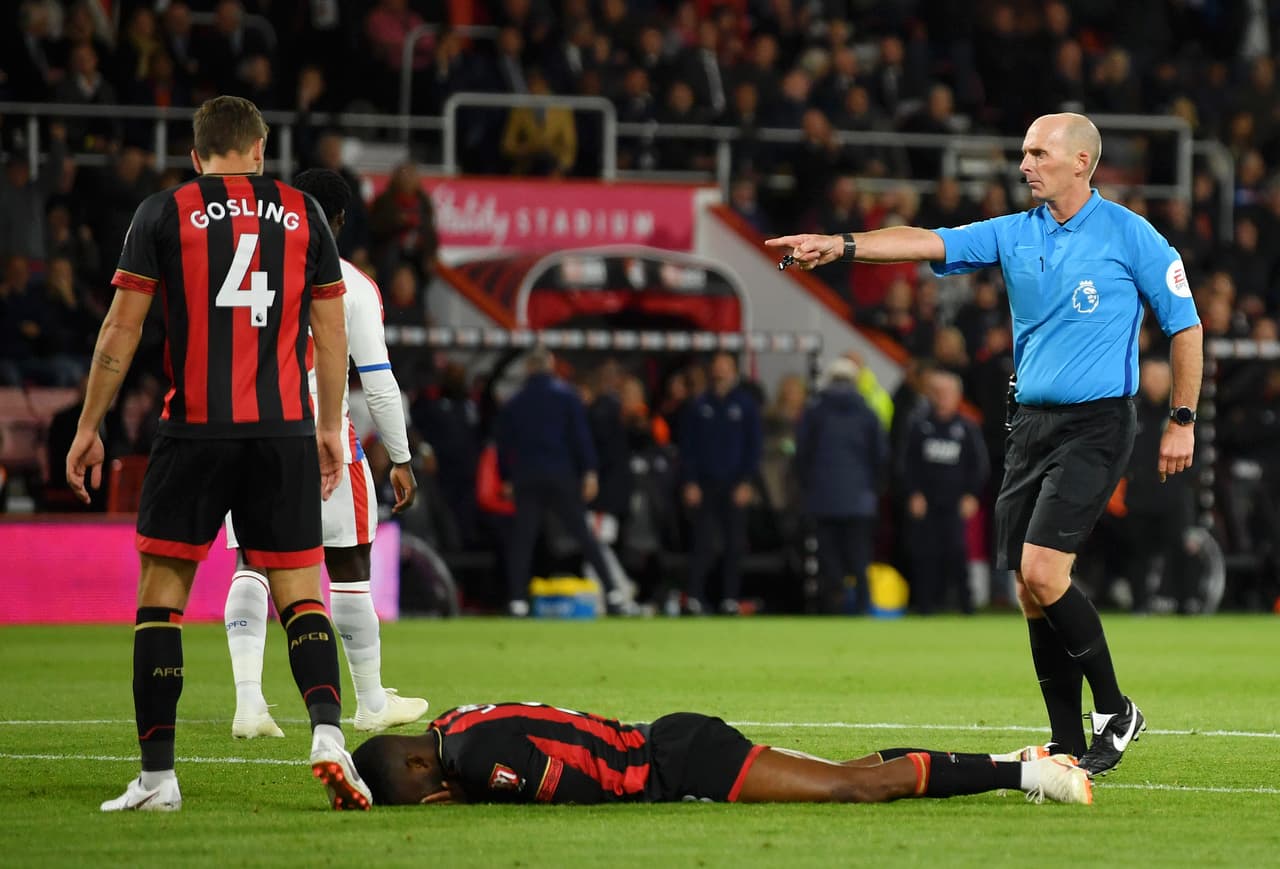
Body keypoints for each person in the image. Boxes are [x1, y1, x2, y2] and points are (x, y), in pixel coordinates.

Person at [766, 112, 1203, 776]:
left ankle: (1115, 709)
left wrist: (1182, 416)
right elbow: (924, 241)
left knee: (1044, 572)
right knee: (1029, 590)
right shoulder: (1013, 233)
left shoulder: (1131, 235)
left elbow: (1186, 325)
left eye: (1039, 153)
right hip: (1028, 424)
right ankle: (1063, 742)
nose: (1024, 164)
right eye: (1023, 151)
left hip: (1097, 423)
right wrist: (842, 244)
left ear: (1082, 162)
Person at [65, 96, 370, 812]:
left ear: (197, 157)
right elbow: (331, 336)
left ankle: (159, 778)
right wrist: (330, 427)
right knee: (300, 594)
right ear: (261, 150)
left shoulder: (163, 211)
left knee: (161, 601)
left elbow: (121, 329)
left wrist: (89, 424)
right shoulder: (305, 215)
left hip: (196, 431)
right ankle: (328, 734)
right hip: (285, 431)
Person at [223, 168, 427, 739]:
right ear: (339, 220)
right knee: (349, 564)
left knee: (253, 562)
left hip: (244, 429)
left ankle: (248, 703)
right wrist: (403, 457)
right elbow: (379, 380)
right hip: (319, 431)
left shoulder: (245, 261)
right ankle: (369, 702)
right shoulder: (352, 284)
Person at [350, 701, 1092, 807]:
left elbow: (574, 794)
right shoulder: (454, 723)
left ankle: (1036, 774)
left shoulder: (475, 757)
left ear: (421, 768)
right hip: (671, 741)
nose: (435, 802)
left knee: (853, 789)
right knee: (858, 774)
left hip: (681, 761)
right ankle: (1011, 758)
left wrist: (475, 795)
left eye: (422, 796)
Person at [495, 347, 622, 617]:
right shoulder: (566, 397)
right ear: (551, 367)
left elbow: (504, 445)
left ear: (529, 369)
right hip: (561, 475)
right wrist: (589, 471)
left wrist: (507, 477)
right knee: (584, 535)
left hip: (527, 477)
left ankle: (517, 599)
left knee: (523, 540)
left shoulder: (516, 401)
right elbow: (580, 437)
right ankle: (613, 592)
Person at [794, 356, 887, 615]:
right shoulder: (867, 413)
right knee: (859, 556)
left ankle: (832, 606)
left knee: (828, 556)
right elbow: (880, 456)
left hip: (822, 496)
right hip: (859, 497)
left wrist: (808, 486)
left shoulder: (815, 412)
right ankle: (862, 606)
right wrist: (872, 488)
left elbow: (802, 455)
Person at [677, 352, 762, 615]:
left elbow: (753, 447)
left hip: (734, 484)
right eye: (717, 367)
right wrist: (690, 481)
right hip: (705, 483)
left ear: (734, 371)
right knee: (701, 543)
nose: (721, 372)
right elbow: (687, 447)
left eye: (726, 367)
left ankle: (730, 599)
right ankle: (694, 597)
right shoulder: (699, 405)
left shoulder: (745, 405)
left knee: (734, 544)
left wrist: (747, 481)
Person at [901, 370, 989, 614]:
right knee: (924, 554)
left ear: (957, 396)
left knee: (957, 552)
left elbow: (979, 465)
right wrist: (913, 493)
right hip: (926, 501)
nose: (942, 397)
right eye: (937, 392)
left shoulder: (967, 428)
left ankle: (966, 605)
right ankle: (925, 606)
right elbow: (907, 464)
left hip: (954, 502)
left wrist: (971, 494)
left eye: (947, 393)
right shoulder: (919, 426)